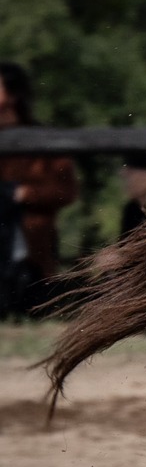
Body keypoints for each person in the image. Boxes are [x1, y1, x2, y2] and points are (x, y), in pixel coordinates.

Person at [0, 62, 80, 316]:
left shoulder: (43, 140)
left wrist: (22, 194)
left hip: (30, 249)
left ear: (12, 95)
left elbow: (65, 191)